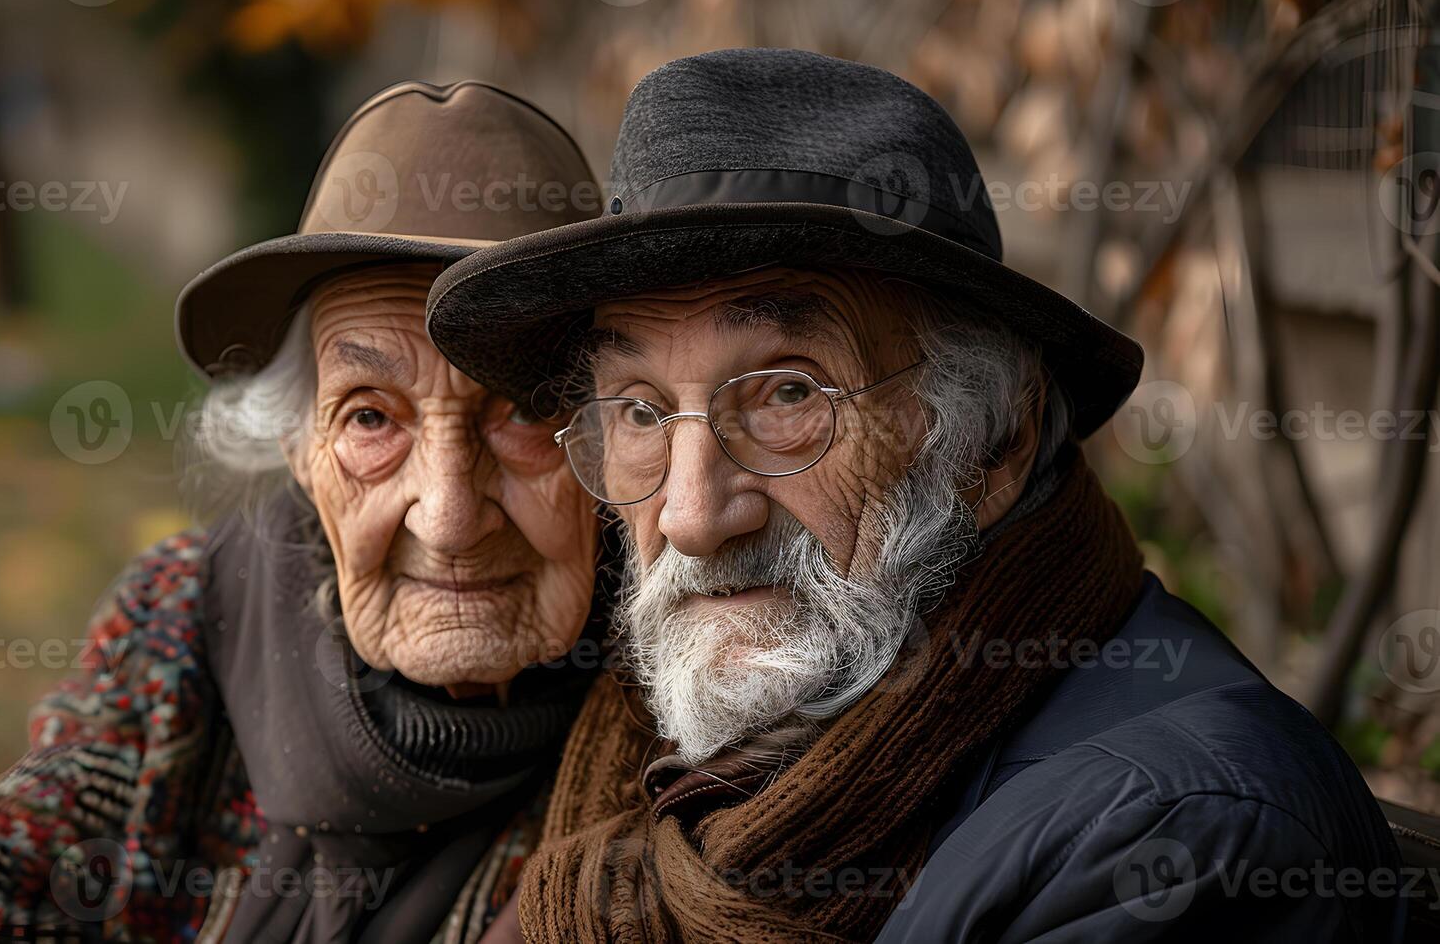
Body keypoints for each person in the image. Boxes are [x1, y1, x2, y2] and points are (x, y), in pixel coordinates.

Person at [426, 49, 1404, 942]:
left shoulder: (1175, 833)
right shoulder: (678, 777)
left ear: (993, 443)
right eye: (639, 412)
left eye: (788, 393)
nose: (691, 512)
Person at [0, 80, 609, 944]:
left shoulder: (676, 720)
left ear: (617, 440)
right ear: (298, 451)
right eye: (369, 418)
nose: (449, 515)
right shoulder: (184, 618)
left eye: (521, 410)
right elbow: (2, 896)